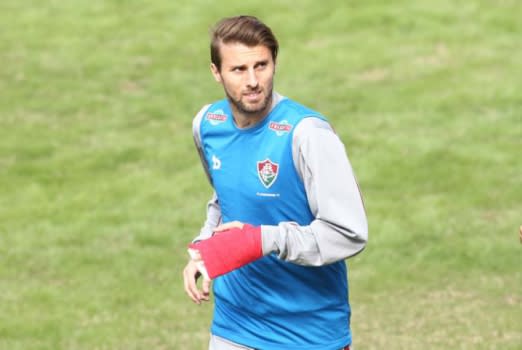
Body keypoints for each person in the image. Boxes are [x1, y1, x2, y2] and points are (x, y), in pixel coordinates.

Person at [183, 15, 368, 350]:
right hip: (234, 325)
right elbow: (225, 199)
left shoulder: (307, 134)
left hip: (309, 332)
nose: (253, 81)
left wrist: (265, 239)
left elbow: (349, 232)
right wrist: (204, 249)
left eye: (261, 66)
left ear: (274, 63)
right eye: (239, 69)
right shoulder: (207, 125)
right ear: (216, 72)